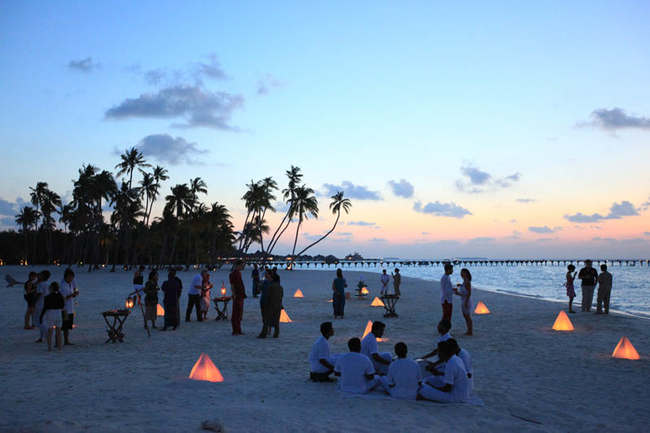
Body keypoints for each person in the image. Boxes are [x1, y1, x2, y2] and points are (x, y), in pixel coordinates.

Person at [39, 282, 65, 352]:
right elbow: (62, 305)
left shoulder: (47, 297)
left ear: (51, 288)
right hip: (58, 313)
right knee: (59, 331)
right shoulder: (60, 296)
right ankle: (59, 347)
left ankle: (49, 347)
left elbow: (45, 308)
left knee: (50, 331)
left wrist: (41, 317)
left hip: (51, 313)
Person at [259, 272, 283, 338]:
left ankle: (264, 334)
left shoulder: (271, 287)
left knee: (266, 320)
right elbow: (281, 296)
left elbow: (268, 296)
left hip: (270, 305)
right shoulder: (280, 287)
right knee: (276, 320)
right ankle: (276, 334)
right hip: (277, 305)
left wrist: (266, 304)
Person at [59, 268, 79, 345]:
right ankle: (65, 340)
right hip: (65, 309)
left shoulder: (69, 285)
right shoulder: (63, 286)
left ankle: (66, 340)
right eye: (70, 277)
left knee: (68, 325)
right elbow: (63, 298)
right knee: (65, 326)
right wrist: (72, 295)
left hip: (70, 308)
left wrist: (73, 295)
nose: (71, 279)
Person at [34, 270, 51, 343]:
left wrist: (34, 301)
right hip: (47, 304)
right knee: (44, 320)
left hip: (41, 304)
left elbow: (39, 294)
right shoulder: (49, 284)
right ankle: (42, 337)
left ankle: (46, 335)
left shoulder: (41, 285)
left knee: (40, 321)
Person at [229, 260, 246, 335]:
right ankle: (235, 330)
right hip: (237, 295)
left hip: (241, 294)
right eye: (242, 265)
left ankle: (238, 329)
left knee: (239, 312)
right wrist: (234, 295)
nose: (243, 266)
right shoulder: (233, 274)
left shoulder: (239, 273)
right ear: (238, 265)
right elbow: (232, 286)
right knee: (235, 313)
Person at [456, 268, 473, 336]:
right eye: (461, 273)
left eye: (462, 273)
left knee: (467, 316)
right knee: (465, 316)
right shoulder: (464, 281)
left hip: (466, 300)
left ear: (466, 274)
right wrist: (460, 285)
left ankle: (470, 331)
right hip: (463, 299)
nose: (461, 275)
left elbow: (469, 293)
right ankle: (468, 330)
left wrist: (466, 302)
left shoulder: (467, 282)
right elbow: (465, 291)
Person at [257, 270, 273, 337]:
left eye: (267, 274)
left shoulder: (272, 283)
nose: (265, 275)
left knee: (268, 316)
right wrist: (260, 285)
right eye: (265, 274)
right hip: (263, 301)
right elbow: (258, 291)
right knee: (264, 316)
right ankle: (266, 329)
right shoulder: (264, 282)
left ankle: (267, 330)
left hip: (269, 302)